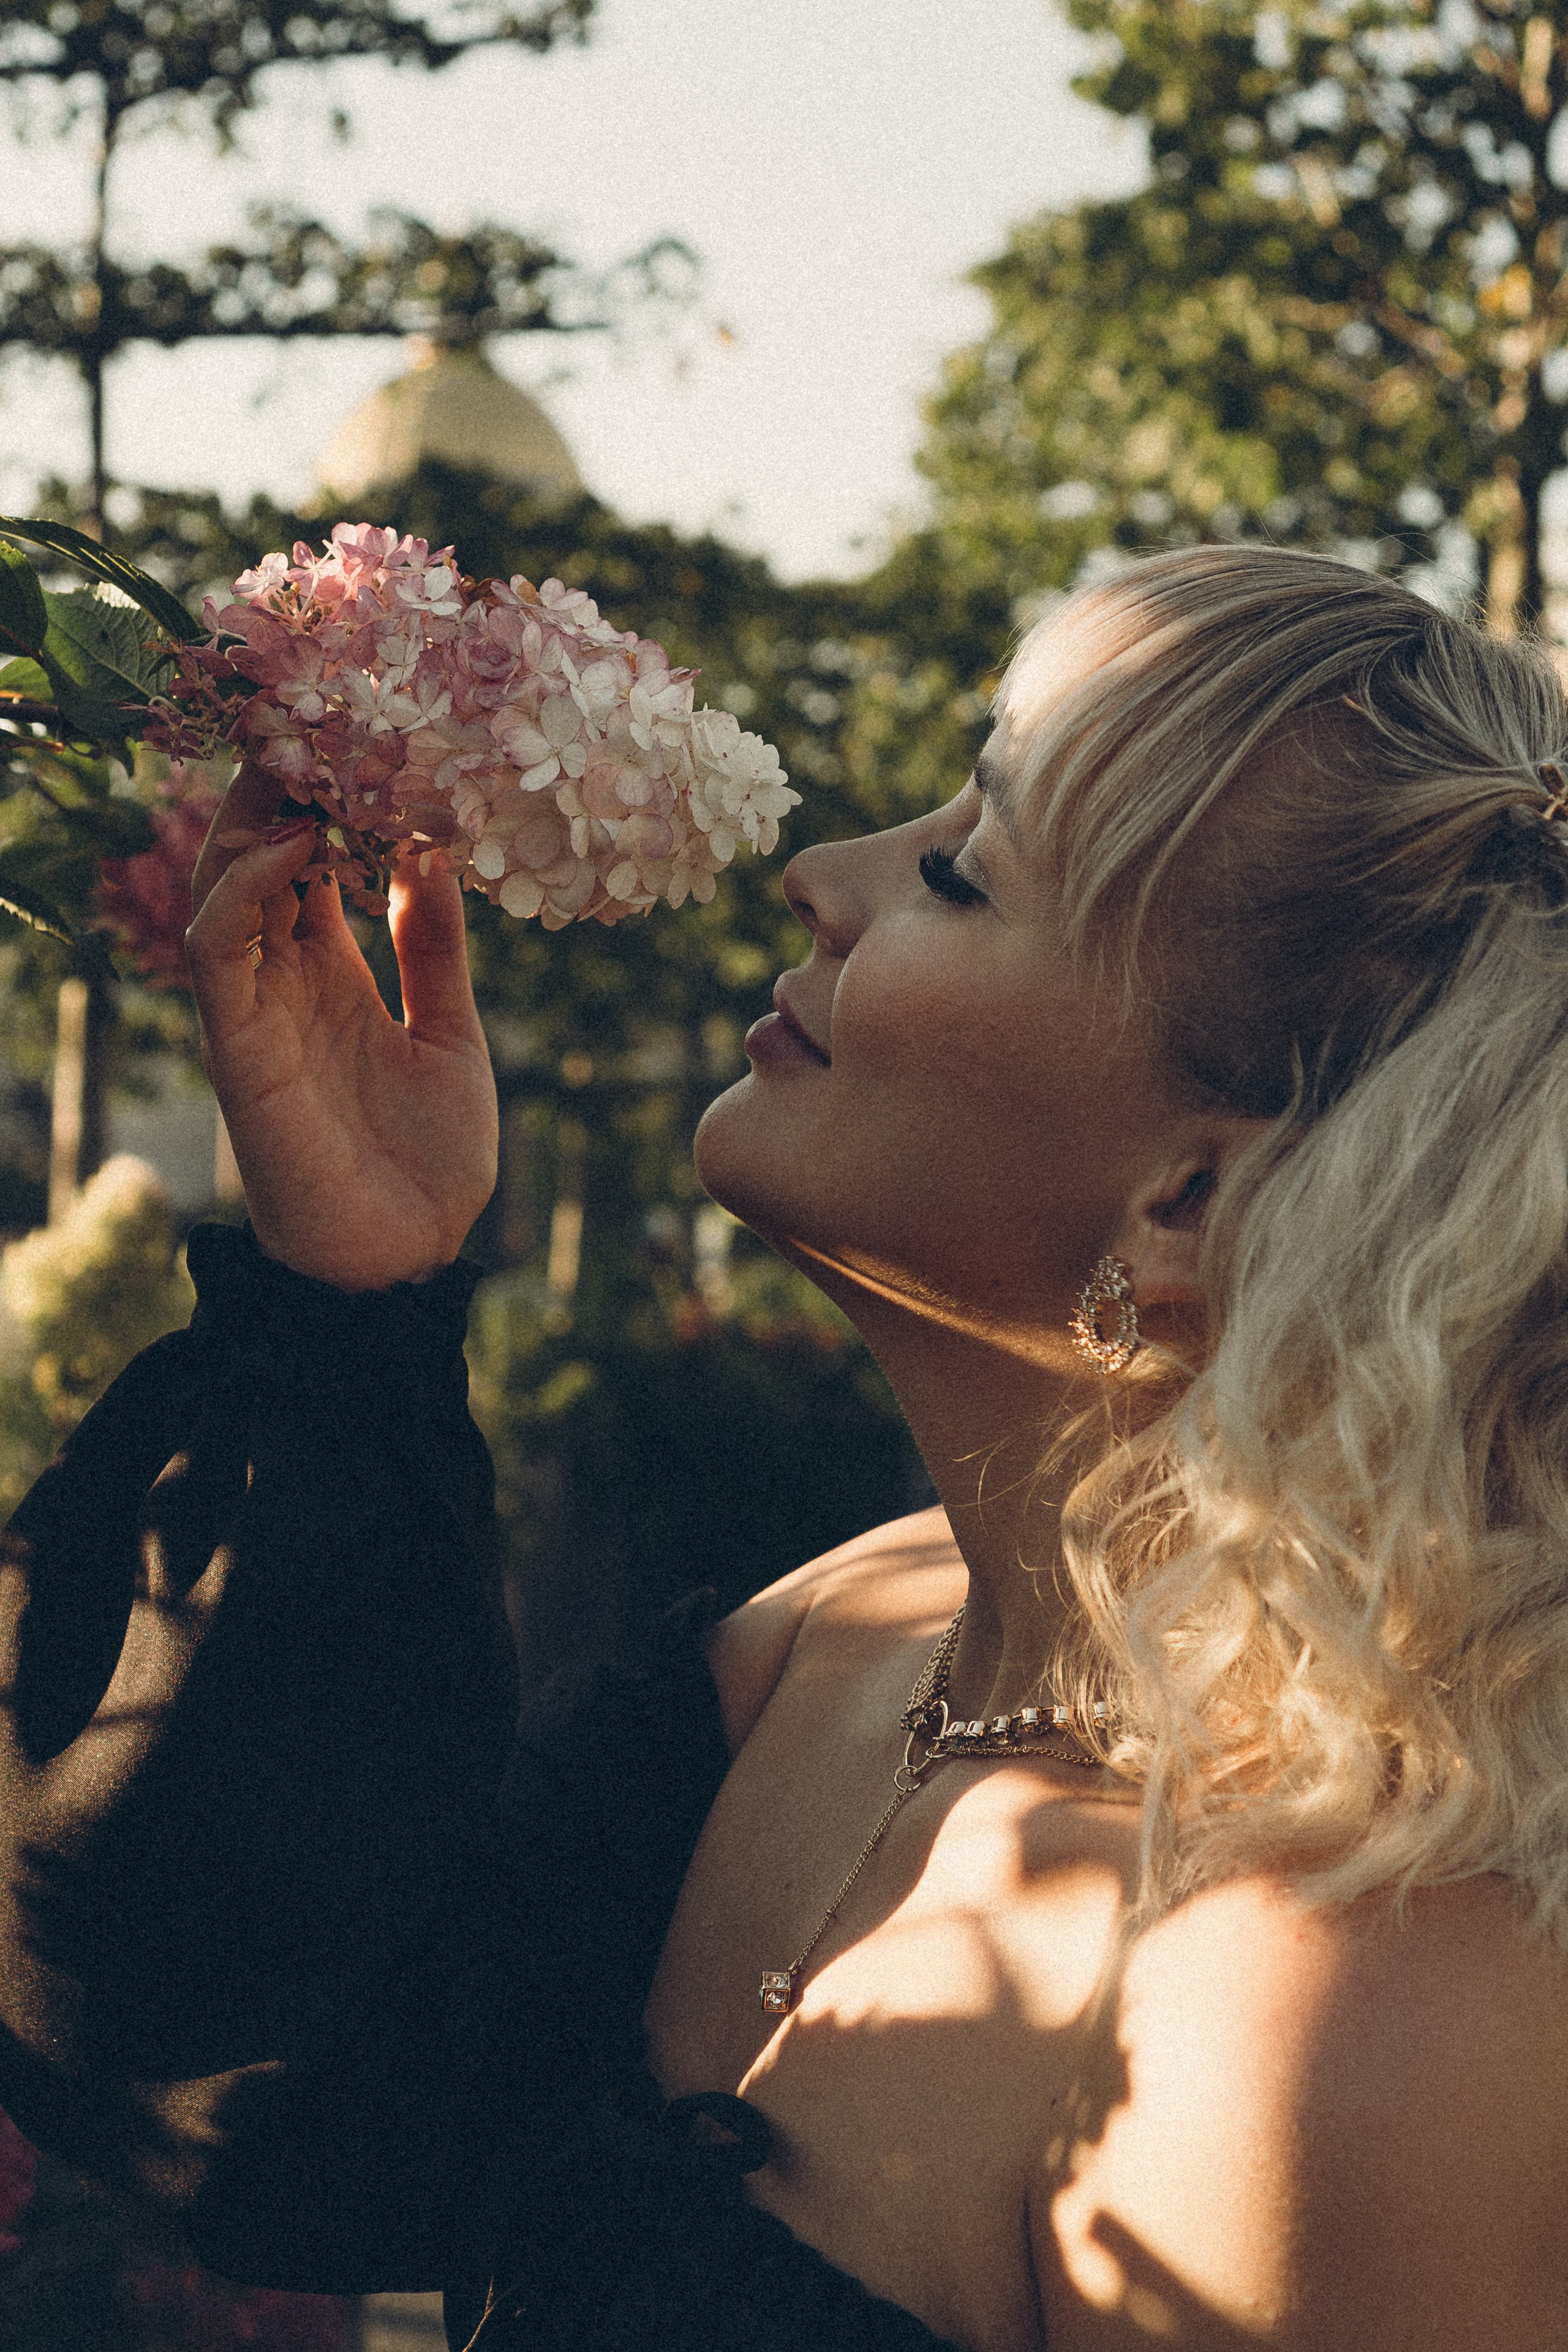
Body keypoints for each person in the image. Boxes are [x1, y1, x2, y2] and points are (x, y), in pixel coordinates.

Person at [2, 541, 1568, 2351]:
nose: (824, 877)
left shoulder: (1325, 2022)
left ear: (1191, 1203)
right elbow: (253, 2089)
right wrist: (344, 1307)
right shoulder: (856, 1637)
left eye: (963, 874)